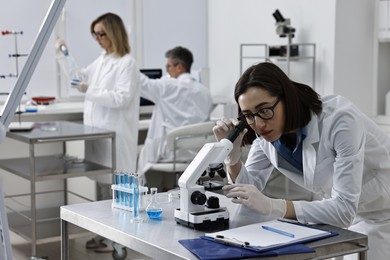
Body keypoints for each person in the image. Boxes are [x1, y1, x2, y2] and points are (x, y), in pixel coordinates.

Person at [213, 62, 390, 260]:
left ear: (286, 98)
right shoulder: (267, 137)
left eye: (264, 110)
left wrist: (274, 206)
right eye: (249, 115)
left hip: (382, 215)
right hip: (335, 215)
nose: (259, 124)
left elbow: (344, 210)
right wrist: (232, 156)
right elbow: (249, 190)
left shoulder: (340, 120)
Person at [56, 13, 139, 250]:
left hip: (116, 136)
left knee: (118, 190)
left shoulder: (127, 63)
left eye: (101, 33)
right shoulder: (103, 60)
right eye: (95, 34)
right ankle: (105, 236)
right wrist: (64, 54)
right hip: (99, 135)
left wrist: (89, 89)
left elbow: (121, 98)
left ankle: (120, 242)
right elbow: (77, 78)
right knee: (104, 188)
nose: (98, 39)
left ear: (114, 33)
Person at [137, 46, 213, 188]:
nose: (166, 71)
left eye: (168, 66)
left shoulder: (167, 86)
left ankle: (147, 195)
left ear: (179, 67)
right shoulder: (205, 92)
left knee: (137, 152)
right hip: (197, 154)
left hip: (171, 154)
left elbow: (140, 83)